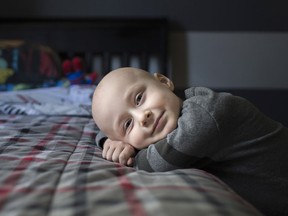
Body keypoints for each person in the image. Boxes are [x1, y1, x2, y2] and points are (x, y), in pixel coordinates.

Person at [92, 67, 288, 216]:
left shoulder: (206, 115)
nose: (143, 117)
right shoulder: (181, 111)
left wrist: (129, 150)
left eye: (139, 98)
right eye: (128, 124)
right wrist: (108, 139)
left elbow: (156, 163)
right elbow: (100, 127)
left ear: (164, 81)